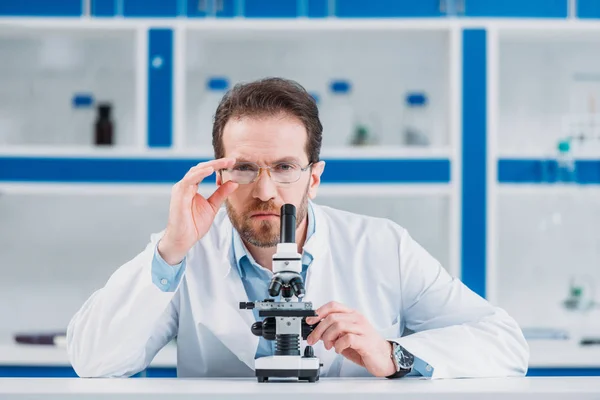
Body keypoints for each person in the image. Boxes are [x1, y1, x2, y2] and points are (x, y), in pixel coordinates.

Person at [66, 77, 529, 380]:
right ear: (218, 175)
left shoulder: (383, 246)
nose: (266, 190)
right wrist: (171, 250)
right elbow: (93, 361)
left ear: (314, 175)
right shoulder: (187, 252)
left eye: (285, 166)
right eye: (244, 168)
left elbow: (504, 343)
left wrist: (395, 354)